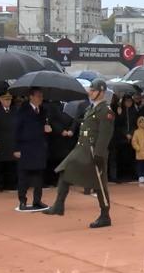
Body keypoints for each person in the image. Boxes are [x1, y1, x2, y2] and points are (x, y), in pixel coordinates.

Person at [44, 80, 115, 229]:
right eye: (90, 90)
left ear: (101, 92)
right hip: (82, 149)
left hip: (93, 151)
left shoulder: (105, 110)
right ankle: (58, 205)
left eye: (93, 90)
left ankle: (105, 215)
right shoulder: (90, 108)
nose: (90, 92)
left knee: (99, 185)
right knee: (65, 171)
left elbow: (105, 134)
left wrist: (99, 154)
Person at [13, 89, 50, 210]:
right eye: (38, 96)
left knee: (38, 177)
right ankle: (22, 201)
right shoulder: (22, 110)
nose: (40, 98)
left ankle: (37, 200)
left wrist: (47, 129)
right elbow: (16, 130)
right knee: (24, 176)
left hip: (39, 147)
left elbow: (43, 126)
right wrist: (16, 148)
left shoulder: (43, 110)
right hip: (26, 147)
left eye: (41, 96)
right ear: (31, 97)